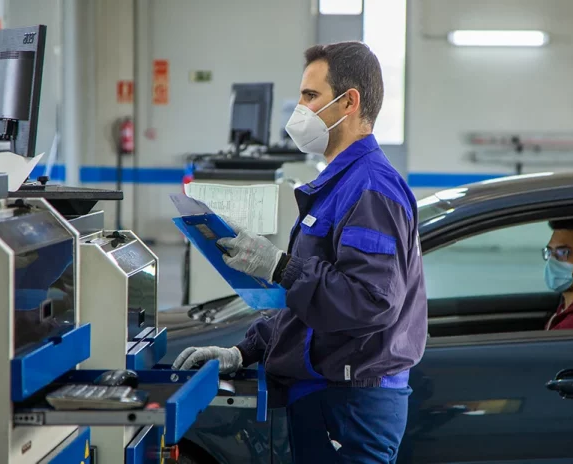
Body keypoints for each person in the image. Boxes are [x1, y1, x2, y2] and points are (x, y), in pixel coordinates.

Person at [173, 41, 427, 464]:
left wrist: (281, 266)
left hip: (351, 405)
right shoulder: (341, 184)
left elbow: (370, 302)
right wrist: (245, 350)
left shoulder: (370, 190)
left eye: (311, 97)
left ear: (349, 102)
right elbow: (310, 308)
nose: (301, 110)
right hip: (326, 395)